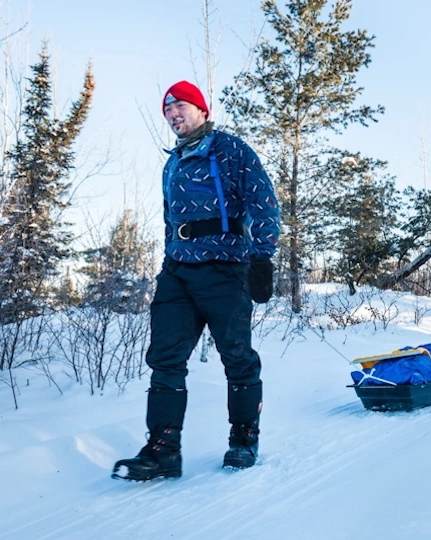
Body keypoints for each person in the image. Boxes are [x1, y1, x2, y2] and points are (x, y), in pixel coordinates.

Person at [113, 81, 280, 481]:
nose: (173, 114)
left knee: (237, 358)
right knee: (165, 359)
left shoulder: (232, 150)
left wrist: (262, 258)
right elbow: (171, 219)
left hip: (225, 268)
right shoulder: (172, 162)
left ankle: (243, 439)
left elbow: (264, 202)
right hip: (178, 273)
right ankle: (163, 449)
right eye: (167, 110)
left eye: (180, 106)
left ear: (202, 110)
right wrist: (169, 261)